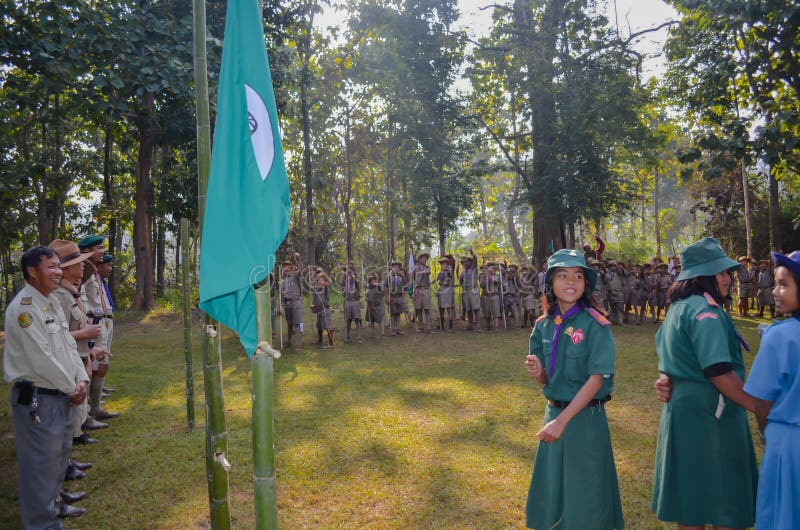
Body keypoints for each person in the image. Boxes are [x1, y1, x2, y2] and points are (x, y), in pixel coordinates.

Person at [651, 237, 758, 529]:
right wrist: (755, 405)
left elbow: (668, 355)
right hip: (713, 415)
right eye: (722, 273)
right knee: (725, 500)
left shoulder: (677, 308)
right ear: (705, 276)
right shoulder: (705, 311)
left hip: (683, 413)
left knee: (692, 500)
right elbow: (717, 369)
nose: (728, 278)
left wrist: (665, 378)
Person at [524, 249, 624, 530]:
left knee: (586, 496)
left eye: (578, 275)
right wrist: (539, 373)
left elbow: (597, 379)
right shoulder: (543, 326)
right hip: (553, 417)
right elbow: (549, 380)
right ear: (550, 285)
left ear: (586, 283)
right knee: (555, 491)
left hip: (584, 422)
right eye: (563, 275)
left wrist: (562, 421)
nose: (571, 281)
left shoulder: (596, 325)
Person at [4, 246, 91, 527]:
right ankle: (42, 523)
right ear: (32, 271)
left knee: (57, 460)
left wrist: (82, 379)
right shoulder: (24, 309)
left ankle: (55, 505)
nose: (57, 272)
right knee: (40, 466)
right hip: (39, 399)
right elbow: (42, 359)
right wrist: (72, 386)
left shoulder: (50, 302)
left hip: (61, 394)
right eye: (50, 267)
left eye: (58, 266)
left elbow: (67, 346)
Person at [742, 249, 800, 530]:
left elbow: (762, 403)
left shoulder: (780, 336)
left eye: (783, 284)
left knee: (782, 511)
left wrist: (768, 433)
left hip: (787, 442)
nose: (775, 291)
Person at [78, 235, 118, 421]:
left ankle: (95, 408)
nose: (102, 251)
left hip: (102, 321)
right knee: (89, 366)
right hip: (90, 324)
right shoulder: (83, 270)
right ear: (86, 250)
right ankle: (85, 414)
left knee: (102, 364)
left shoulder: (94, 271)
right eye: (99, 248)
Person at [279, 254, 304, 351]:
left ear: (291, 267)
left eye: (287, 266)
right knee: (289, 324)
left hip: (296, 302)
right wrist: (280, 306)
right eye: (284, 266)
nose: (285, 267)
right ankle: (289, 341)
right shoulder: (282, 280)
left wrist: (298, 259)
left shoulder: (295, 275)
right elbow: (281, 294)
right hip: (287, 304)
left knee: (298, 324)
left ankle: (298, 344)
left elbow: (301, 269)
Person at [337, 261, 363, 343]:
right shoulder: (345, 278)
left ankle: (359, 336)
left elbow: (360, 285)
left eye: (351, 268)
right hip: (347, 301)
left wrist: (354, 276)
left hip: (355, 300)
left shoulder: (356, 277)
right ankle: (347, 336)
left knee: (357, 319)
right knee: (348, 319)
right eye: (348, 268)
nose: (349, 270)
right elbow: (340, 283)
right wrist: (343, 273)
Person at [310, 269, 335, 348]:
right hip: (319, 310)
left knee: (328, 327)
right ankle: (320, 341)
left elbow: (330, 282)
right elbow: (316, 299)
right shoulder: (317, 289)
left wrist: (323, 275)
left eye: (321, 280)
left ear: (325, 282)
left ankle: (331, 343)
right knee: (319, 326)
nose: (320, 281)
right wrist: (313, 306)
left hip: (325, 310)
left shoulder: (326, 287)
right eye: (319, 280)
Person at [411, 252, 434, 333]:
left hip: (426, 289)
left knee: (427, 309)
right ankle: (420, 326)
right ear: (419, 259)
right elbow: (413, 279)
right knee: (418, 309)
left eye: (425, 258)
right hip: (418, 289)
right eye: (423, 258)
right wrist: (413, 291)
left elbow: (428, 271)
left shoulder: (427, 267)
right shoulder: (415, 268)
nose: (424, 260)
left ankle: (428, 327)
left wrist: (421, 272)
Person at [460, 251, 482, 332]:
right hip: (466, 291)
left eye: (466, 261)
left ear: (470, 262)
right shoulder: (463, 272)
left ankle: (478, 325)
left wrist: (472, 252)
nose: (464, 263)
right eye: (463, 262)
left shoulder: (474, 269)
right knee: (468, 309)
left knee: (476, 309)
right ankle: (470, 325)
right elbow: (460, 281)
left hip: (473, 291)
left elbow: (475, 258)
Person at [435, 255, 456, 332]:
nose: (442, 264)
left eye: (443, 263)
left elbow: (450, 276)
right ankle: (442, 326)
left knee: (449, 308)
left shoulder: (449, 269)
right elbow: (438, 280)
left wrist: (445, 270)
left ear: (447, 263)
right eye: (441, 263)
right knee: (441, 308)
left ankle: (450, 327)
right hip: (441, 289)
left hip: (447, 289)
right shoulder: (441, 271)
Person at [386, 261, 407, 335]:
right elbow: (386, 287)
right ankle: (393, 329)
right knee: (393, 313)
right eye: (395, 267)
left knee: (398, 313)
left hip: (399, 296)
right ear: (392, 268)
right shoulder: (389, 276)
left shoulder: (401, 277)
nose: (396, 268)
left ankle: (398, 328)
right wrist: (386, 297)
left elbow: (405, 284)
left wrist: (403, 276)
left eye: (398, 267)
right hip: (392, 297)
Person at [364, 272, 386, 339]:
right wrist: (366, 299)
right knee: (371, 321)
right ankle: (372, 334)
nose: (373, 281)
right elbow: (367, 297)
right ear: (370, 281)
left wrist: (377, 283)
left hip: (378, 306)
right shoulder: (369, 288)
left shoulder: (379, 286)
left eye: (374, 280)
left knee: (380, 320)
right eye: (371, 280)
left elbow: (383, 288)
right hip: (370, 306)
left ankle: (382, 333)